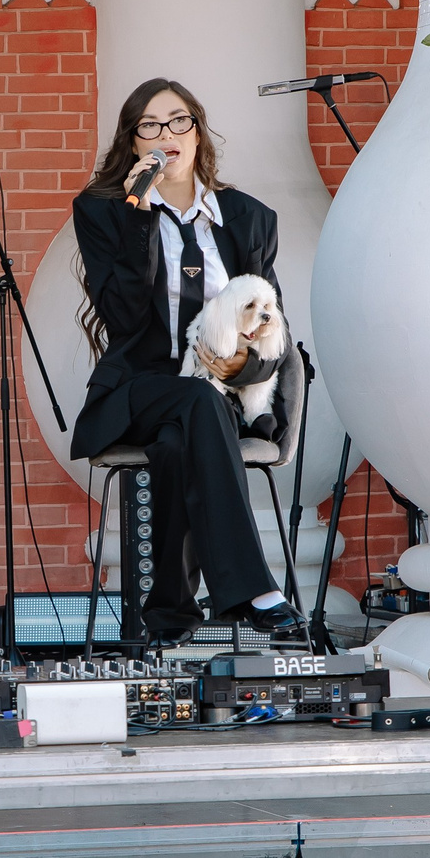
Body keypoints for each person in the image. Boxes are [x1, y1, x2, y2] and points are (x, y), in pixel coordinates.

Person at [70, 77, 307, 643]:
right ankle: (252, 589)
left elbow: (273, 328)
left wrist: (241, 370)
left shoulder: (248, 219)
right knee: (192, 404)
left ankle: (170, 609)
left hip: (217, 399)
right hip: (141, 389)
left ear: (197, 133)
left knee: (185, 434)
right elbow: (125, 317)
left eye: (179, 121)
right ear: (133, 143)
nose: (166, 135)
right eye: (149, 126)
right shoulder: (102, 212)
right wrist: (138, 213)